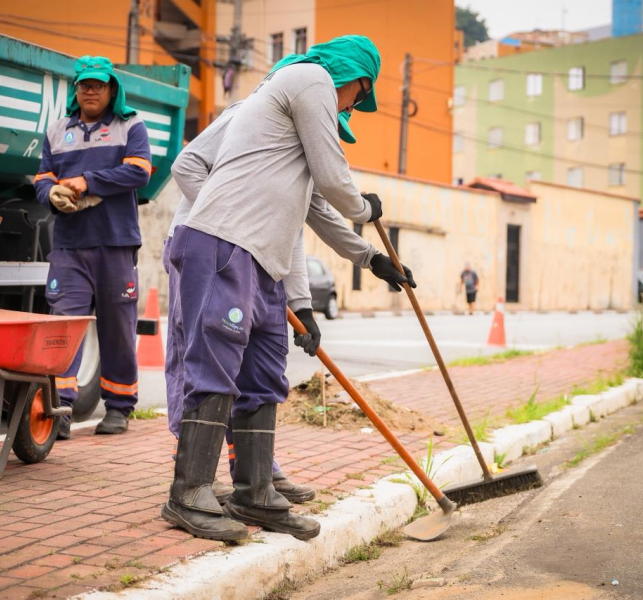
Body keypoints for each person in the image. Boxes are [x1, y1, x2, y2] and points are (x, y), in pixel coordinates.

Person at [162, 35, 390, 543]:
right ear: (357, 80)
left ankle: (255, 492)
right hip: (222, 242)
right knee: (214, 365)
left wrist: (369, 258)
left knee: (264, 374)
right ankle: (188, 493)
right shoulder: (306, 79)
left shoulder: (289, 143)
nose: (351, 109)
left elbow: (304, 215)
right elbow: (336, 181)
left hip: (262, 262)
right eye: (357, 98)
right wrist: (367, 209)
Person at [33, 56, 152, 440]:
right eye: (84, 85)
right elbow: (41, 176)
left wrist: (86, 182)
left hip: (115, 243)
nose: (90, 91)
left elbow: (138, 171)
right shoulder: (57, 130)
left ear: (111, 89)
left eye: (98, 85)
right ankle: (60, 408)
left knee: (118, 327)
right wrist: (50, 192)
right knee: (63, 327)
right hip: (69, 245)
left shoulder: (130, 125)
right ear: (77, 89)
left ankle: (118, 407)